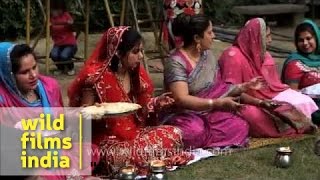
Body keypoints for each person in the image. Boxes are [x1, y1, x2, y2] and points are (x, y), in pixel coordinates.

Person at [68, 26, 192, 175]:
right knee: (121, 155)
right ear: (118, 53)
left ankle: (144, 161)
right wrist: (96, 111)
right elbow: (82, 116)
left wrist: (157, 103)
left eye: (141, 51)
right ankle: (146, 161)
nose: (140, 56)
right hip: (107, 140)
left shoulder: (135, 75)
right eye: (135, 52)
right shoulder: (96, 78)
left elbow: (141, 109)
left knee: (174, 132)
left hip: (134, 133)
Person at [162, 13, 267, 149]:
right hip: (183, 114)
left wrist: (243, 86)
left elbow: (218, 88)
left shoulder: (208, 56)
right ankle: (198, 139)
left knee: (239, 125)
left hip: (208, 111)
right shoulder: (176, 62)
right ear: (197, 38)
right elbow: (181, 99)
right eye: (210, 32)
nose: (214, 36)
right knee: (195, 131)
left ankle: (205, 140)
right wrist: (216, 103)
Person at [218, 18, 318, 138]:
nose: (270, 40)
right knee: (252, 115)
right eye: (267, 36)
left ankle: (303, 125)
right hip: (240, 101)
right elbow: (230, 91)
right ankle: (292, 129)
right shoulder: (232, 56)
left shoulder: (265, 55)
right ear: (255, 37)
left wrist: (273, 100)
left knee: (299, 101)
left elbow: (274, 86)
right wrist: (260, 102)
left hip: (268, 97)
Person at [282, 19, 320, 90]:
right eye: (301, 40)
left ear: (316, 39)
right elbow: (292, 94)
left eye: (308, 38)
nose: (305, 43)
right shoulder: (294, 63)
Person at [50, 0, 77, 76]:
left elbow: (73, 28)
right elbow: (49, 30)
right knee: (53, 55)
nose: (55, 12)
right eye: (53, 10)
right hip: (58, 44)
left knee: (64, 55)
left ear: (61, 9)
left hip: (69, 43)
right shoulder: (51, 18)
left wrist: (71, 24)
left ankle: (70, 68)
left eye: (58, 10)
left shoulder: (66, 15)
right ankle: (60, 68)